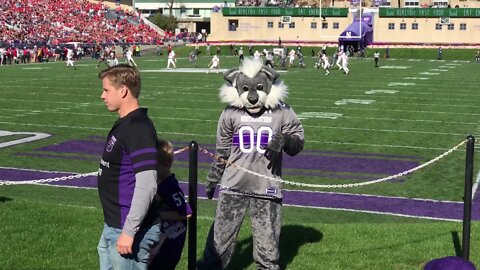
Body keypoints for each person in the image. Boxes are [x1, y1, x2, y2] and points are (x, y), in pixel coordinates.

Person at [97, 64, 162, 270]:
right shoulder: (126, 123)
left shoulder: (138, 128)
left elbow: (147, 184)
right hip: (114, 224)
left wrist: (129, 232)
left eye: (107, 90)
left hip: (128, 229)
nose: (102, 95)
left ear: (123, 90)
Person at [148, 140, 192, 270]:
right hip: (158, 238)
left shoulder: (170, 187)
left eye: (153, 167)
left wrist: (158, 215)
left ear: (166, 165)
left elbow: (186, 213)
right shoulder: (157, 182)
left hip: (169, 243)